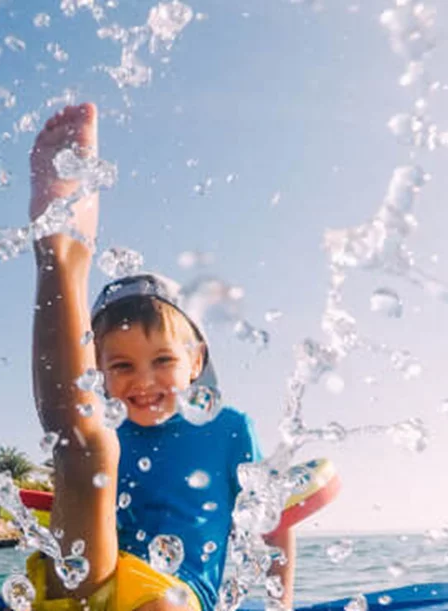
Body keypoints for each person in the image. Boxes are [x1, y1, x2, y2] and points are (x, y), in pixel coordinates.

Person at [26, 102, 294, 611]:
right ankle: (58, 253)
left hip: (176, 596)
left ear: (196, 362)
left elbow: (273, 526)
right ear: (98, 373)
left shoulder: (230, 429)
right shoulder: (110, 427)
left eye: (163, 361)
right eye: (121, 366)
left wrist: (282, 606)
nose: (143, 381)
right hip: (91, 583)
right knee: (83, 449)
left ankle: (63, 249)